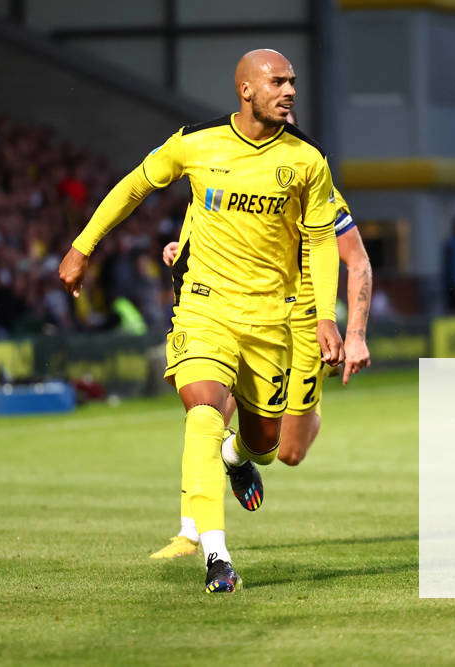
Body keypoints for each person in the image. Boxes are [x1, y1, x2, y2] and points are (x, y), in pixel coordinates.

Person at [58, 49, 344, 593]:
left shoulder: (307, 160)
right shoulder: (195, 141)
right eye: (278, 82)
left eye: (293, 82)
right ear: (246, 90)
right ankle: (215, 553)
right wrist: (82, 246)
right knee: (204, 409)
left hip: (270, 320)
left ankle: (240, 457)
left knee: (265, 445)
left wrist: (326, 317)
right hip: (204, 305)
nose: (289, 91)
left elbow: (321, 239)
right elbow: (134, 186)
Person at [153, 114, 373, 559]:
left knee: (288, 451)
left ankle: (238, 456)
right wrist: (181, 255)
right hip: (236, 312)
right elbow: (206, 232)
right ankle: (191, 533)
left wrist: (355, 335)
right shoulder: (224, 166)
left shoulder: (316, 185)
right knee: (209, 406)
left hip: (307, 325)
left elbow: (360, 263)